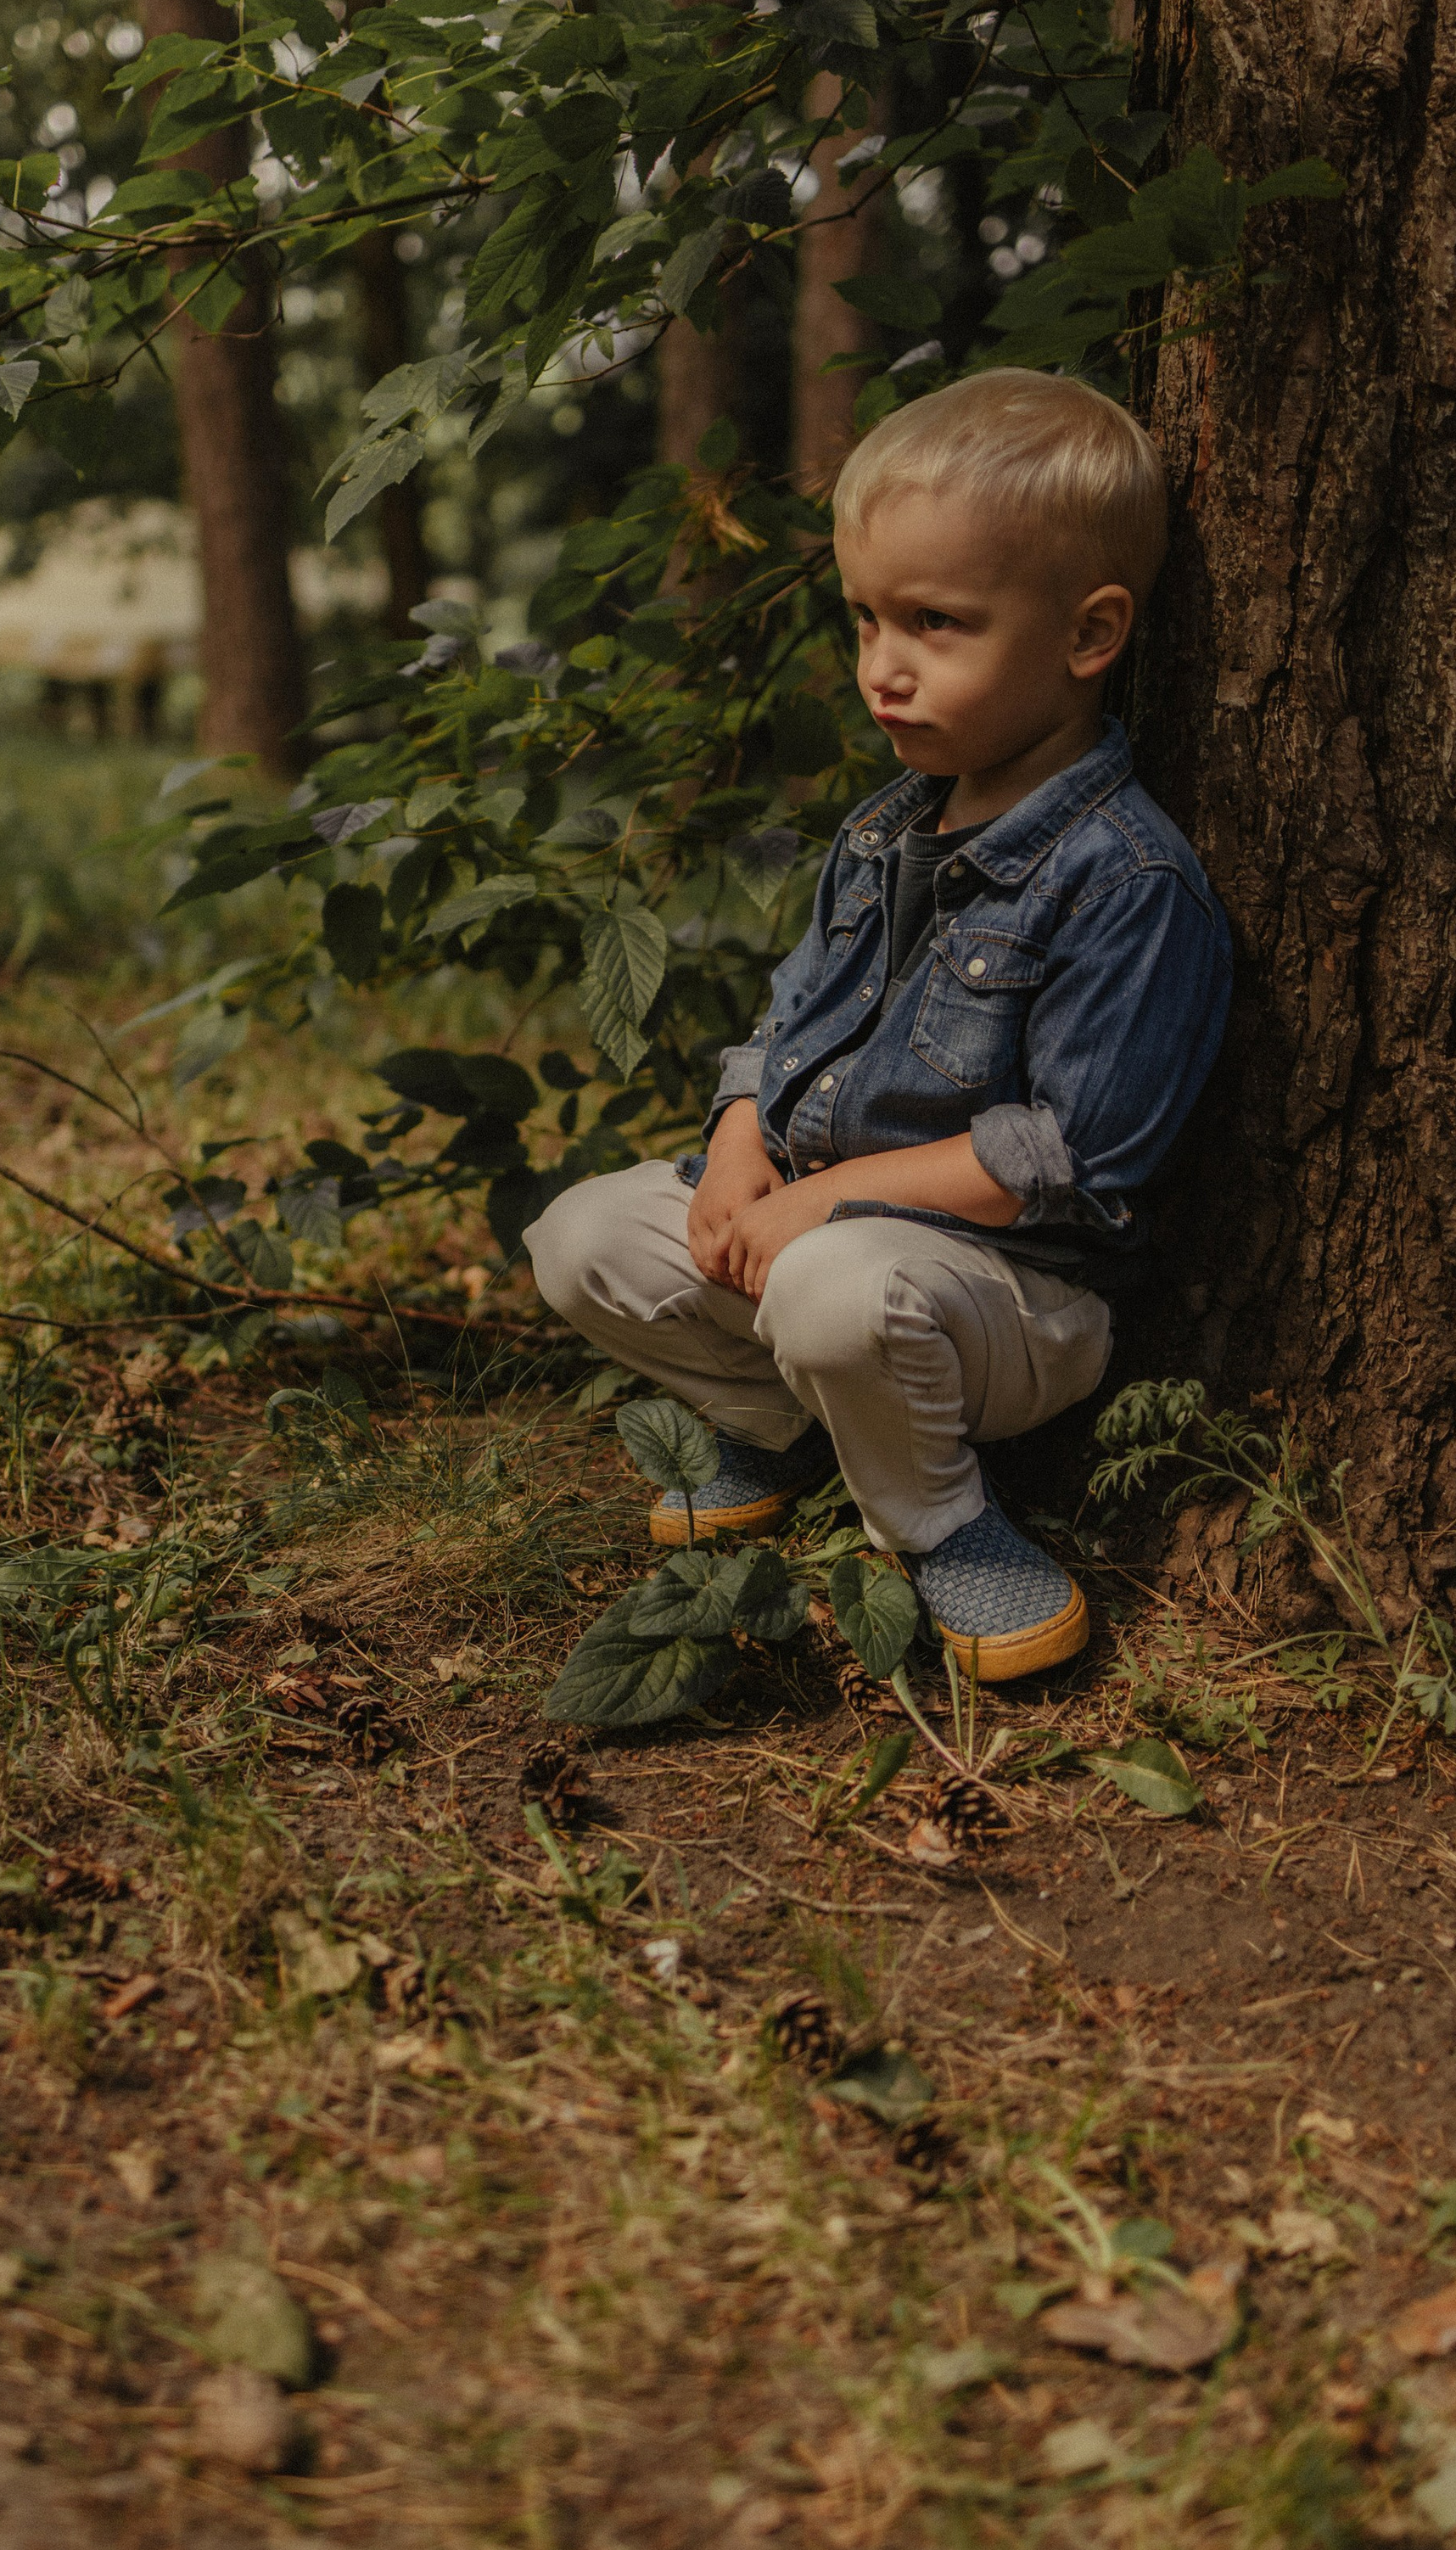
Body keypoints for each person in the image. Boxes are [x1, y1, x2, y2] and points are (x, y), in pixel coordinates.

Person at [527, 368, 1233, 1684]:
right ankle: (779, 1423)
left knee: (832, 1284)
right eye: (864, 618)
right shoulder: (880, 831)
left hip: (1009, 1299)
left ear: (1089, 638)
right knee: (580, 1238)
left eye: (936, 624)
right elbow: (789, 1021)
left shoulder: (1126, 880)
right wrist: (743, 1143)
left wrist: (829, 1200)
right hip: (821, 1242)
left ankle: (945, 1522)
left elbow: (1070, 1160)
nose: (881, 668)